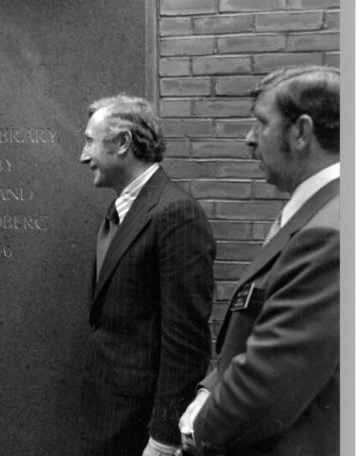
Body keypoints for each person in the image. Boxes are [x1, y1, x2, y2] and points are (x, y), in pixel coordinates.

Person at [179, 66, 340, 456]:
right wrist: (209, 391)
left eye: (261, 123)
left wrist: (199, 429)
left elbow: (270, 383)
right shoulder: (318, 214)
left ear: (301, 133)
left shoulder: (330, 233)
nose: (249, 140)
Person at [78, 94, 216, 456]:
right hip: (109, 418)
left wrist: (164, 439)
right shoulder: (123, 208)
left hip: (142, 431)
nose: (83, 155)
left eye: (89, 141)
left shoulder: (175, 213)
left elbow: (186, 342)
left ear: (122, 143)